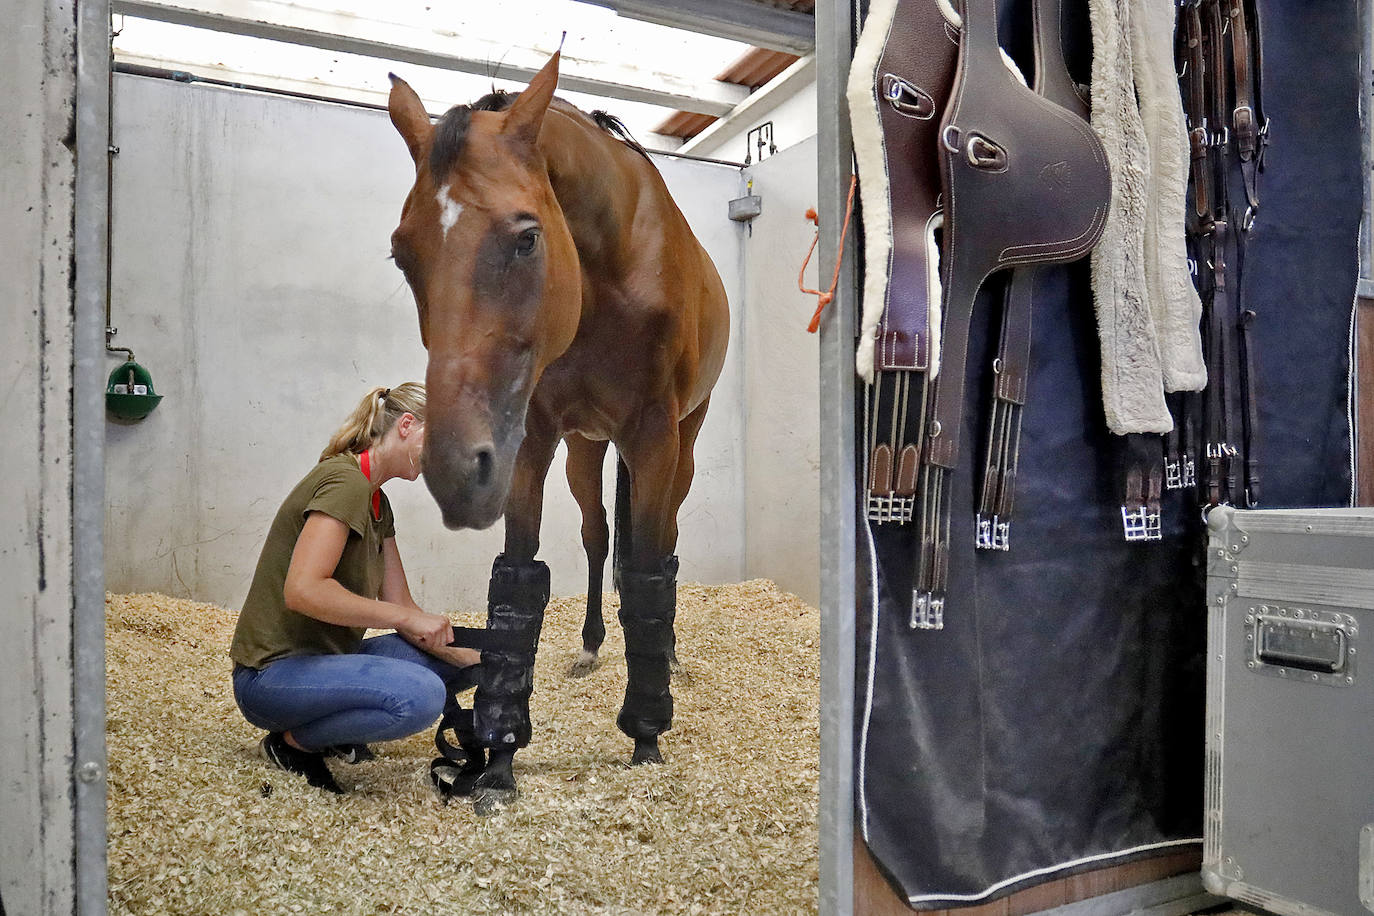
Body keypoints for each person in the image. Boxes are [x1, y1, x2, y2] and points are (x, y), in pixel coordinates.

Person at [229, 383, 476, 794]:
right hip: (270, 677)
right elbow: (304, 590)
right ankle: (293, 744)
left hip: (325, 662)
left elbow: (402, 605)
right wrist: (404, 617)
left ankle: (331, 727)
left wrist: (478, 656)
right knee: (422, 697)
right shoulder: (345, 482)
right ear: (407, 425)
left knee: (460, 658)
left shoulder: (377, 501)